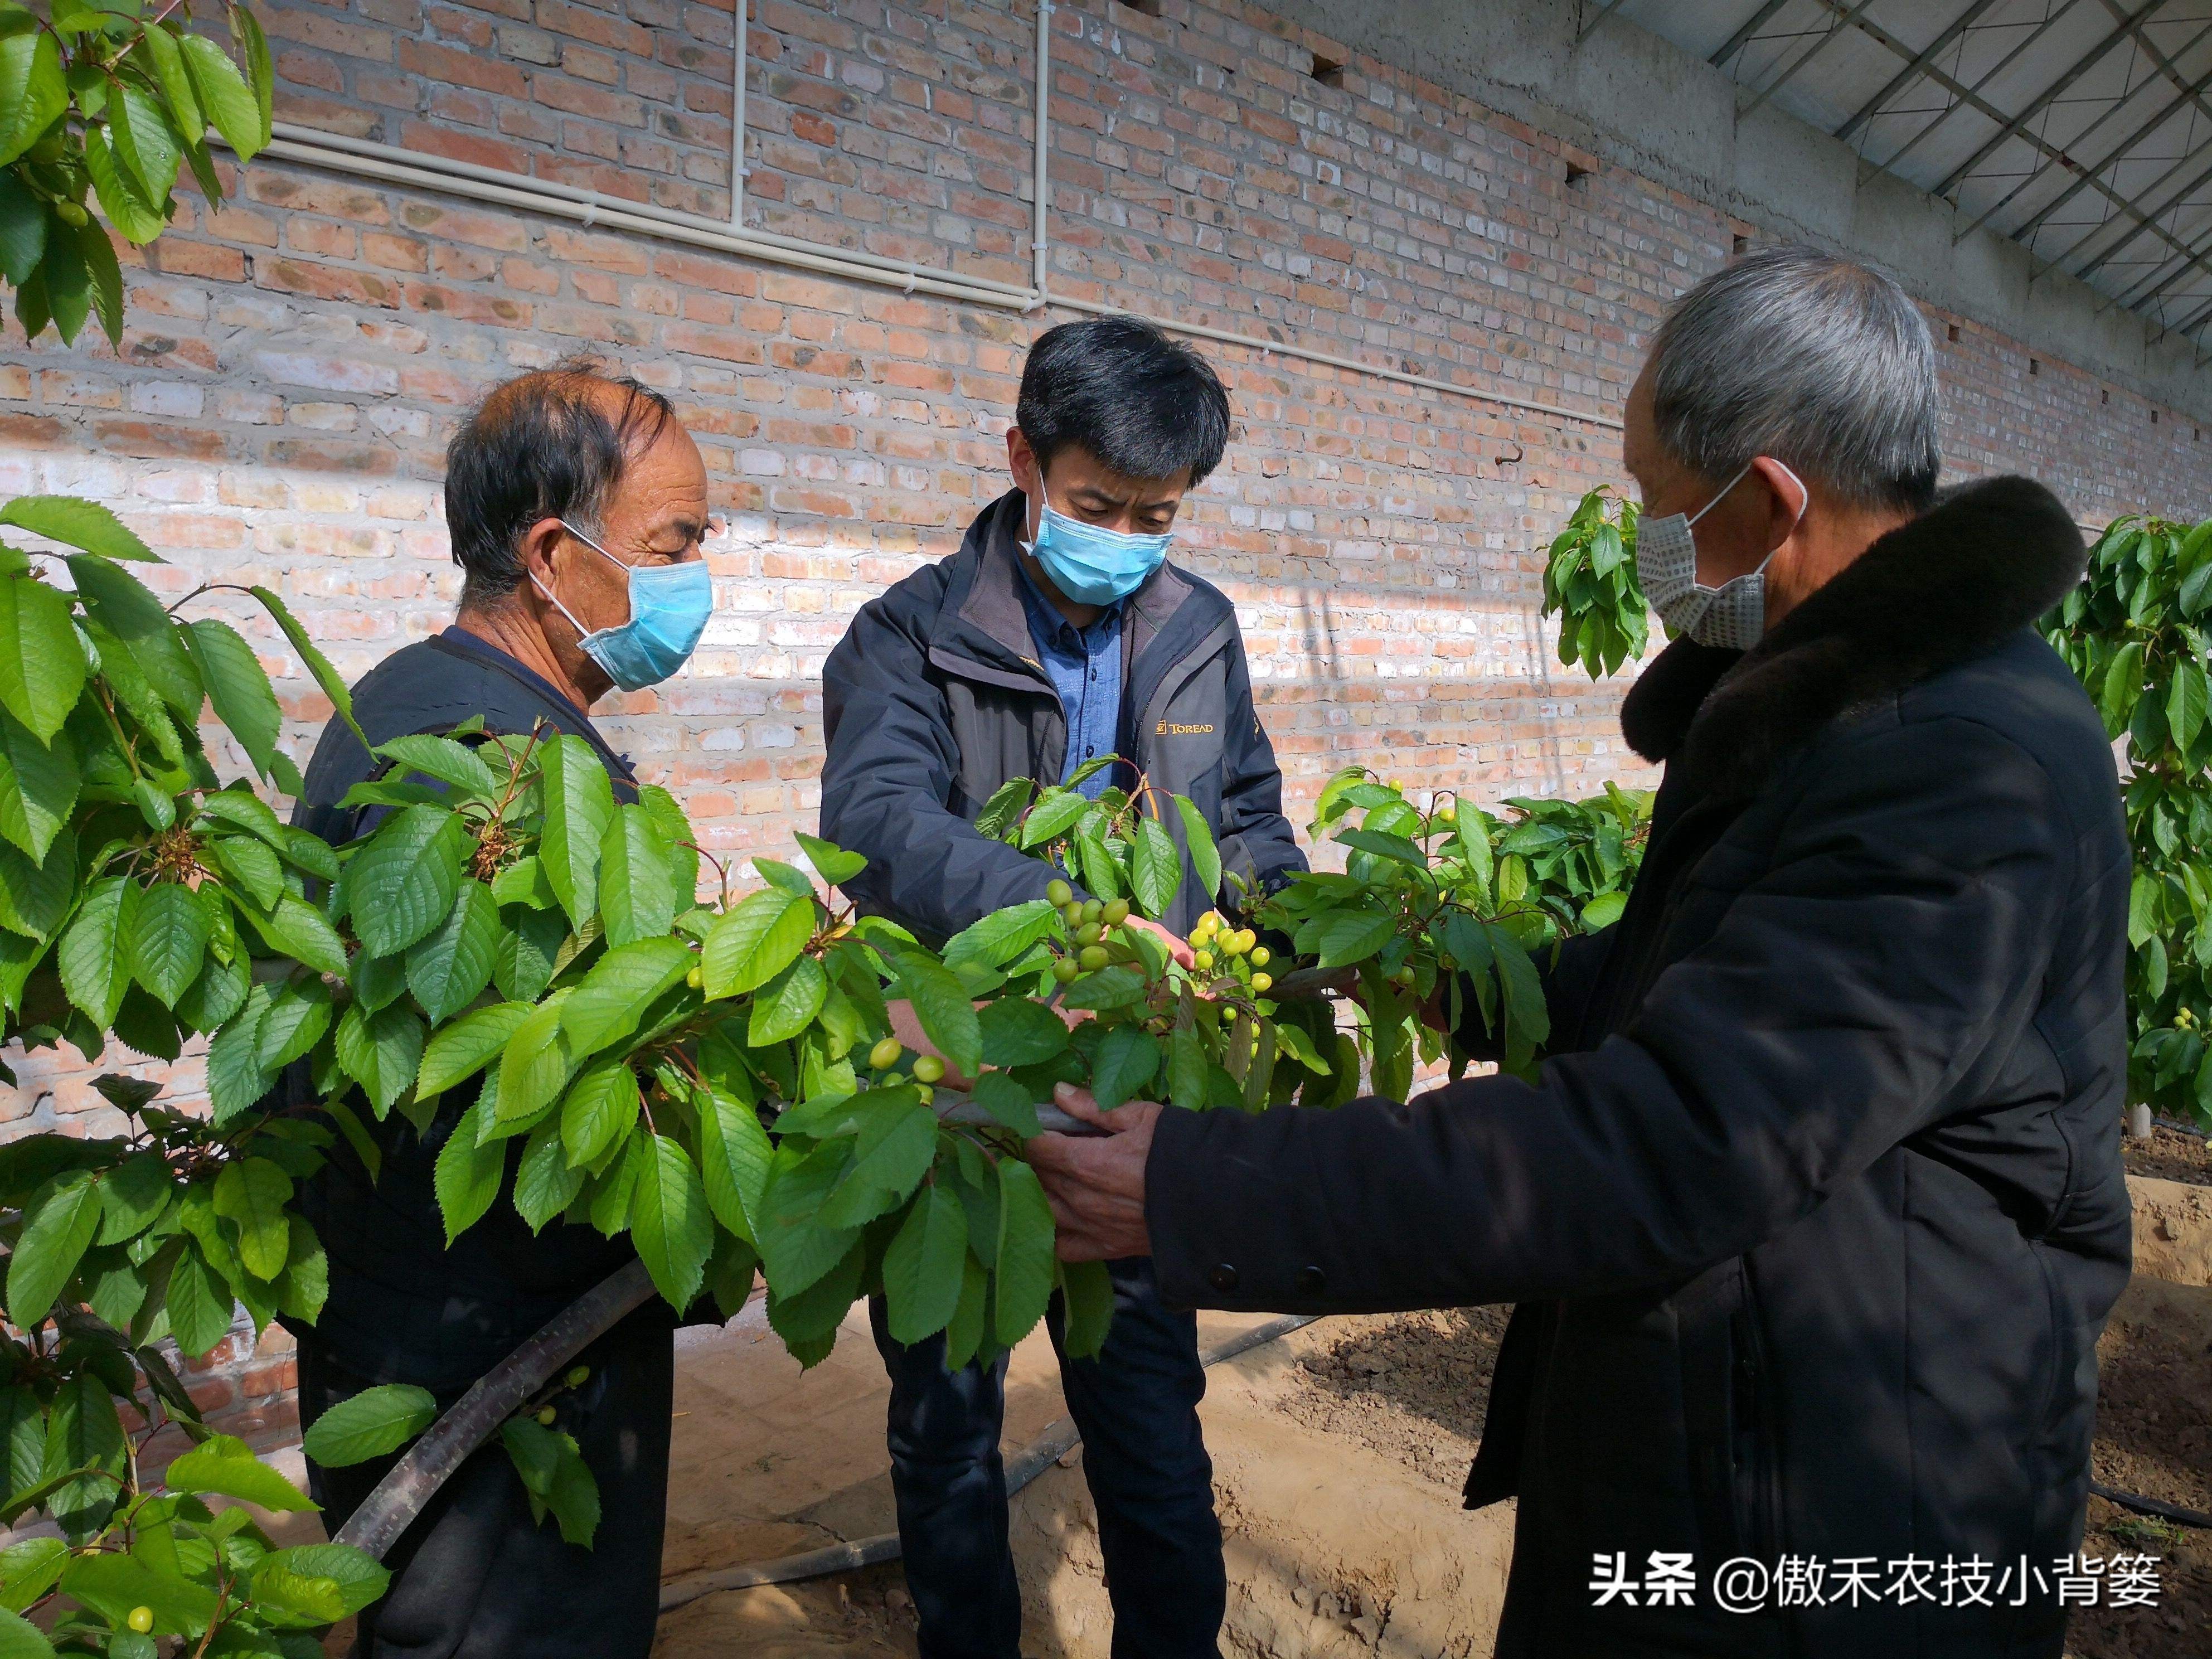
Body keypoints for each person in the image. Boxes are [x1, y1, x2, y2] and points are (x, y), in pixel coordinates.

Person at [1029, 249, 2133, 1659]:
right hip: (1726, 1428)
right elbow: (1675, 979)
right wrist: (1397, 970)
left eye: (1656, 500)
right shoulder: (1830, 699)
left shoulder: (1955, 765)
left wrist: (1188, 1186)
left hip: (1850, 1511)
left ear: (1770, 501)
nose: (1644, 532)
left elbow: (1674, 1136)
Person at [820, 316, 1306, 1658]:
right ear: (1023, 461)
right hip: (959, 1087)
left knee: (1148, 1404)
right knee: (947, 1416)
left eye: (1157, 513)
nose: (1127, 535)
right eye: (1097, 505)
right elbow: (878, 824)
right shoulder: (904, 640)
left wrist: (1289, 914)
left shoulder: (1201, 627)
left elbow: (1247, 814)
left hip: (1134, 1089)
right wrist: (1072, 912)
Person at [283, 359, 720, 1659]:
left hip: (453, 1341)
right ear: (552, 552)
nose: (698, 576)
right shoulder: (486, 768)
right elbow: (551, 1082)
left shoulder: (421, 702)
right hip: (489, 1366)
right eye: (674, 543)